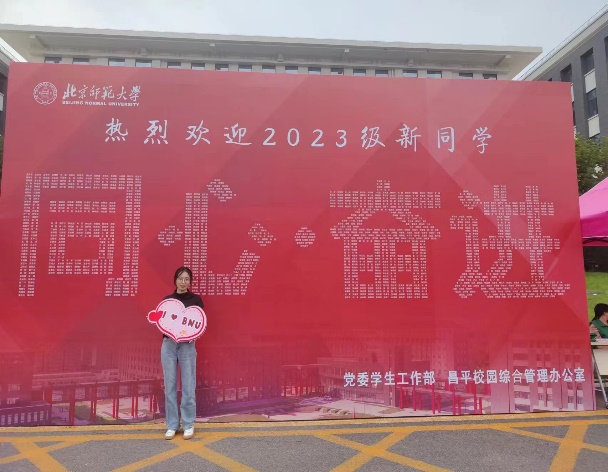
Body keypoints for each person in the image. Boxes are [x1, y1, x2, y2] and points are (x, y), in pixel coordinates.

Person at [160, 266, 204, 440]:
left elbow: (200, 322)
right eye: (180, 278)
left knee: (188, 385)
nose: (183, 282)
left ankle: (188, 424)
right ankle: (172, 425)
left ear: (190, 282)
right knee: (169, 385)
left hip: (187, 345)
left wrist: (192, 335)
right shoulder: (167, 300)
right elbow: (163, 322)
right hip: (169, 345)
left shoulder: (196, 299)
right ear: (175, 280)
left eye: (186, 279)